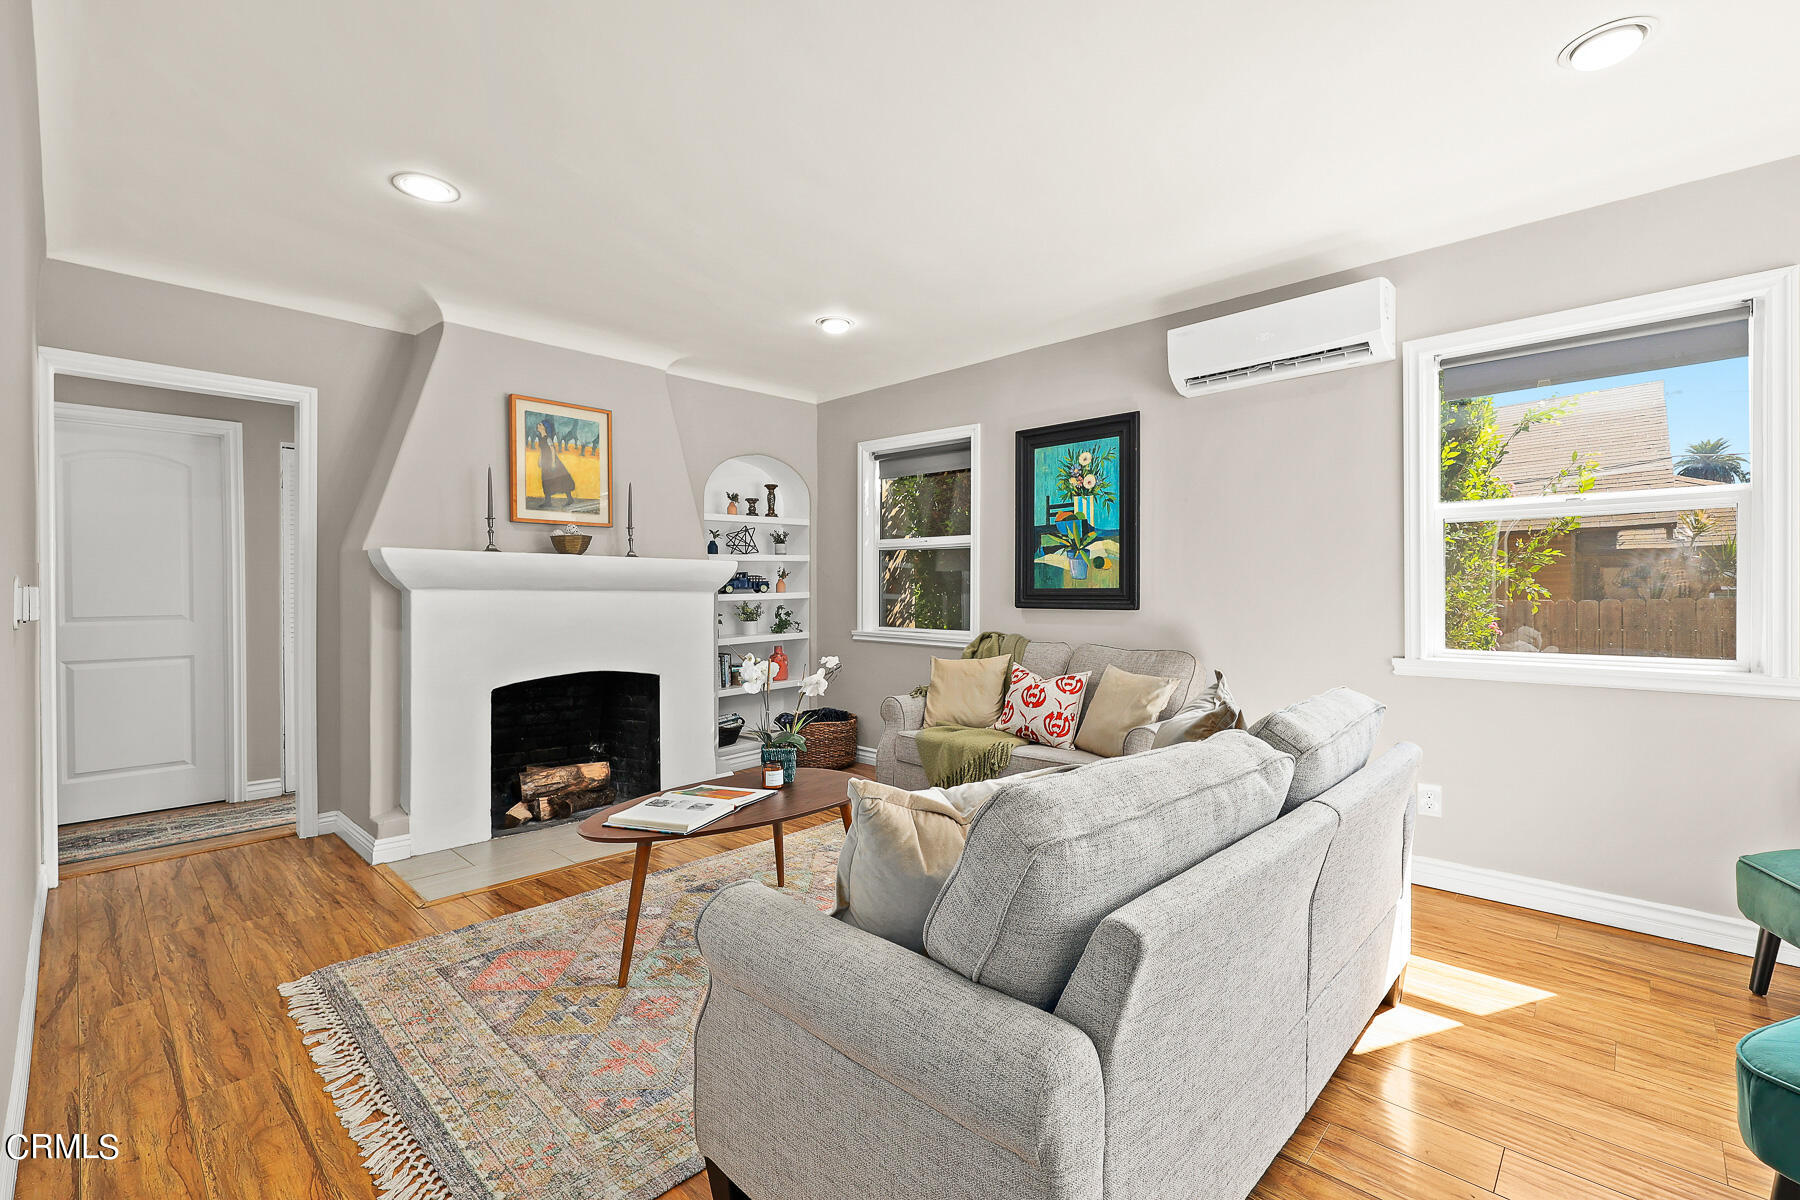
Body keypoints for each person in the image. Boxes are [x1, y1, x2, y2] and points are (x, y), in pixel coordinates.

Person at [535, 418, 578, 505]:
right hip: (545, 462)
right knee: (546, 480)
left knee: (561, 478)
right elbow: (542, 451)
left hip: (551, 461)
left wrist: (553, 462)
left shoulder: (548, 439)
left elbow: (552, 450)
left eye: (540, 425)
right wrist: (540, 460)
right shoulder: (541, 438)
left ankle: (570, 499)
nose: (538, 426)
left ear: (544, 428)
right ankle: (548, 501)